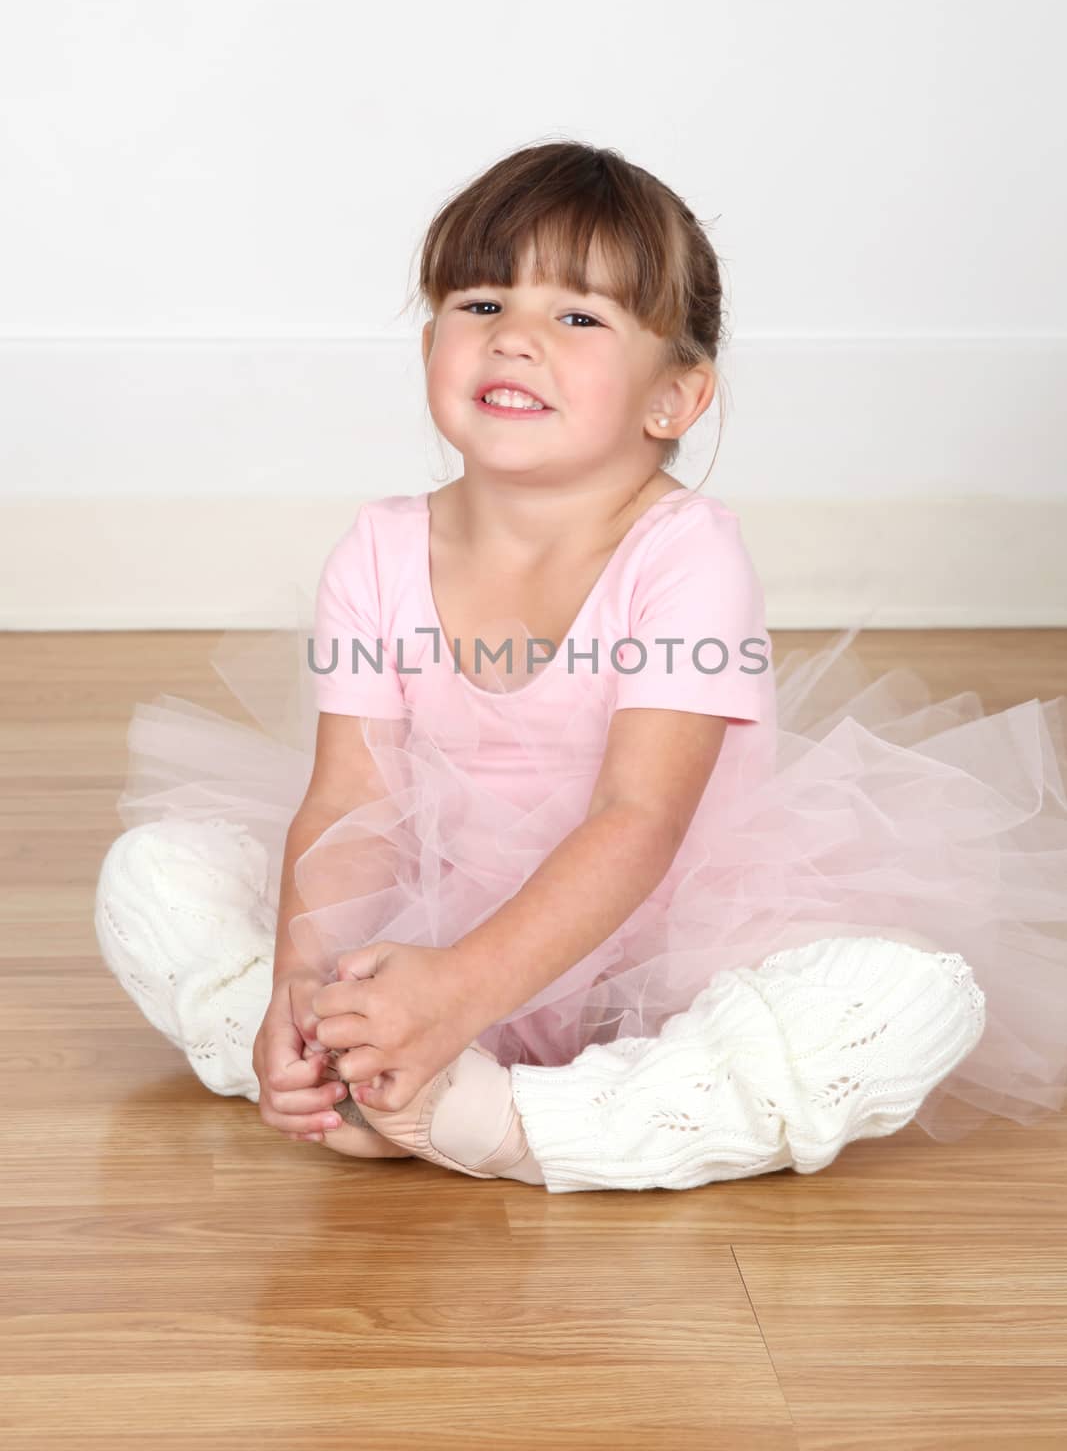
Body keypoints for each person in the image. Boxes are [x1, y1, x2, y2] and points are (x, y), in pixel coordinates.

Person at [94, 141, 1065, 1193]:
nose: (515, 339)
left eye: (577, 317)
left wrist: (466, 988)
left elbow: (635, 819)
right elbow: (348, 796)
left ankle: (517, 1119)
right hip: (435, 926)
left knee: (910, 997)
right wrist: (297, 984)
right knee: (156, 875)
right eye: (479, 305)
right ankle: (335, 1062)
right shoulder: (376, 550)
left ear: (673, 399)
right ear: (430, 343)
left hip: (657, 943)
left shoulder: (685, 554)